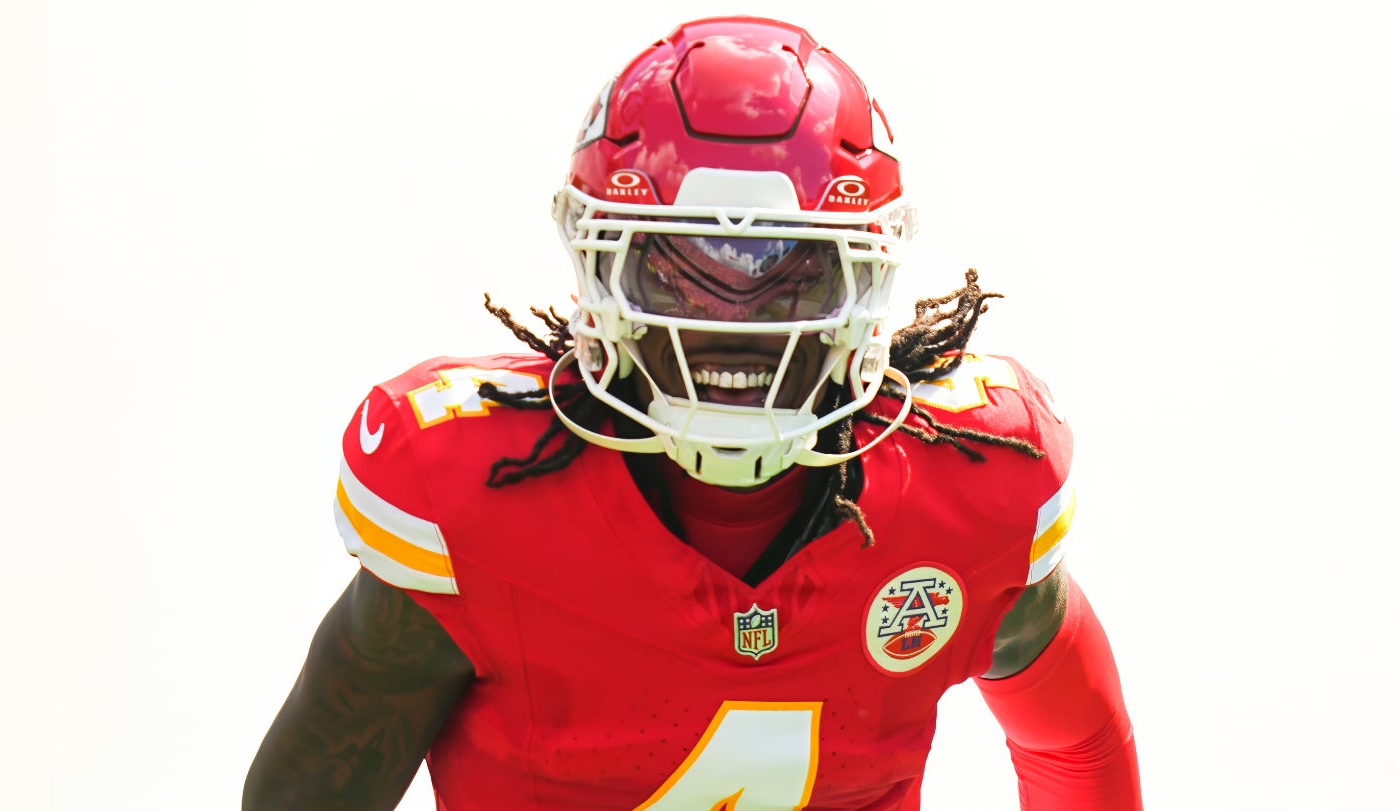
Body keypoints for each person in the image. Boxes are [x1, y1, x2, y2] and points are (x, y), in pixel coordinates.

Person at [243, 15, 1142, 811]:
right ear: (599, 270)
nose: (737, 323)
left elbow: (1079, 748)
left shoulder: (968, 493)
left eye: (794, 271)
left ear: (870, 279)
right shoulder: (473, 506)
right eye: (681, 269)